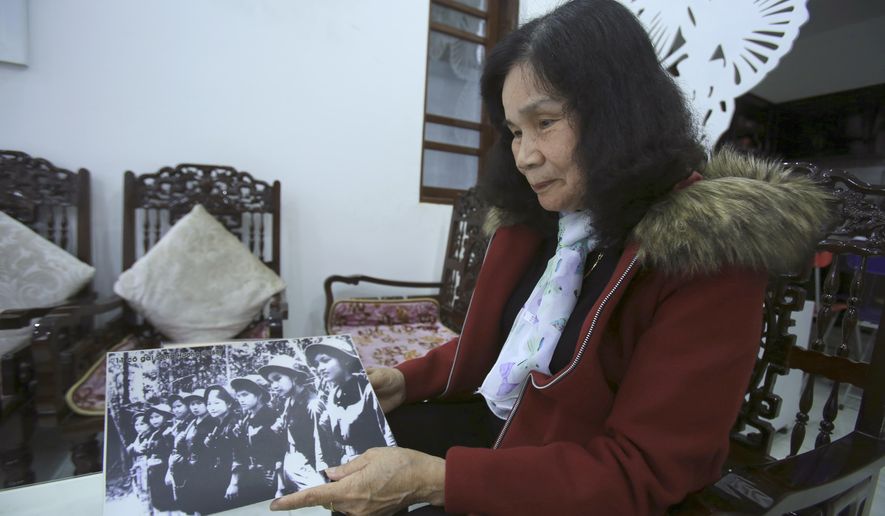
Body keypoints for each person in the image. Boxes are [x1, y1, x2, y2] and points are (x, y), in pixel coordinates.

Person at [271, 1, 832, 515]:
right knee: (345, 455)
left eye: (546, 123)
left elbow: (647, 468)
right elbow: (498, 349)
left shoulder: (707, 255)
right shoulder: (545, 223)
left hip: (584, 485)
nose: (524, 156)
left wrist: (434, 481)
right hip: (510, 432)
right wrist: (402, 379)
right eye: (514, 131)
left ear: (620, 112)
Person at [305, 338, 396, 464]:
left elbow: (387, 435)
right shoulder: (332, 396)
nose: (320, 368)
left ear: (344, 360)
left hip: (374, 460)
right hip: (347, 461)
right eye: (317, 364)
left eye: (325, 360)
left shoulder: (366, 389)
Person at [258, 355, 332, 495]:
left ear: (295, 377)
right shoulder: (288, 401)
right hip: (292, 466)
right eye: (270, 382)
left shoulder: (313, 405)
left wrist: (323, 478)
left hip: (310, 470)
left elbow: (322, 445)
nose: (273, 386)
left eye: (278, 378)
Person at [230, 374, 287, 506]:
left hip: (270, 480)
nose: (240, 399)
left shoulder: (272, 417)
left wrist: (280, 487)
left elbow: (280, 452)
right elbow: (239, 452)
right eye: (238, 396)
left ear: (259, 394)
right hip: (250, 477)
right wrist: (235, 482)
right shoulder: (246, 419)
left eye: (245, 395)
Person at [168, 388, 216, 515]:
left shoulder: (212, 421)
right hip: (190, 470)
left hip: (207, 471)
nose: (195, 407)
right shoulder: (192, 423)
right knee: (194, 506)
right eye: (192, 404)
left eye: (199, 403)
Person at [201, 384, 241, 514]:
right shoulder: (219, 424)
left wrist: (234, 483)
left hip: (232, 478)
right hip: (220, 476)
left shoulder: (234, 423)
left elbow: (238, 454)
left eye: (216, 403)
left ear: (229, 403)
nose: (212, 408)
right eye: (209, 404)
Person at [142, 403, 176, 513]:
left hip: (165, 469)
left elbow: (173, 451)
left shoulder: (169, 432)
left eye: (157, 416)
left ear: (165, 417)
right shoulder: (153, 433)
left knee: (170, 501)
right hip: (155, 471)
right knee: (159, 502)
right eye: (151, 418)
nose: (154, 420)